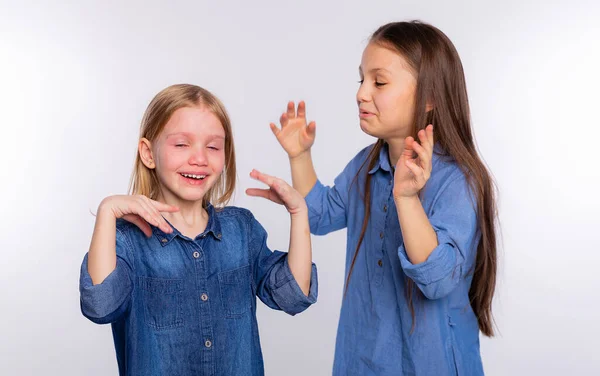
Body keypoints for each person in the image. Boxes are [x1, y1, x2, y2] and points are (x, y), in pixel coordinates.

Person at [271, 21, 498, 375]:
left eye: (379, 82)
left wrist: (406, 198)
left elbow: (437, 280)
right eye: (361, 80)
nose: (362, 93)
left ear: (429, 97)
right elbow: (318, 215)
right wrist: (300, 157)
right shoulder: (365, 166)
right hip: (361, 359)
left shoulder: (458, 180)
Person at [79, 83, 317, 375]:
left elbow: (293, 295)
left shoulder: (241, 230)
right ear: (148, 153)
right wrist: (106, 212)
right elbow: (100, 307)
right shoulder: (126, 240)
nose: (200, 158)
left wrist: (299, 212)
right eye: (181, 144)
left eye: (213, 146)